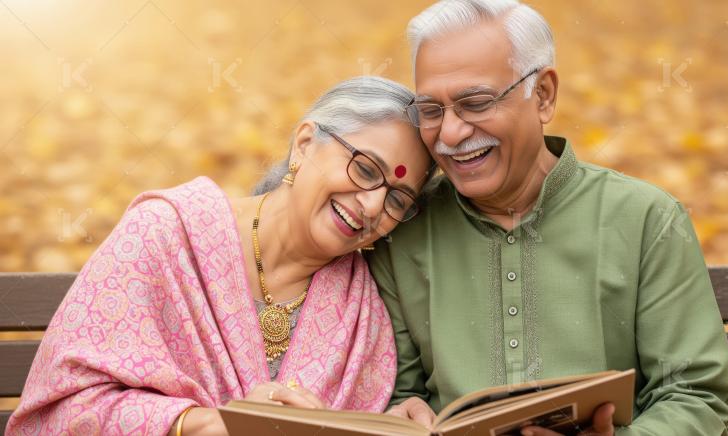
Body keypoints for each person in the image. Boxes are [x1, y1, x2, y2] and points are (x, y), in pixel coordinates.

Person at [367, 1, 728, 435]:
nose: (450, 134)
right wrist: (399, 412)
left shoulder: (647, 221)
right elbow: (396, 393)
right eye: (431, 110)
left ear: (542, 95)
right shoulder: (402, 230)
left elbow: (698, 397)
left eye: (476, 102)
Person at [7, 76, 434, 436]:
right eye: (364, 169)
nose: (374, 206)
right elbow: (62, 413)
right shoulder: (165, 235)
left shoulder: (362, 310)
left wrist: (385, 425)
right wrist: (212, 425)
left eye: (398, 200)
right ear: (304, 144)